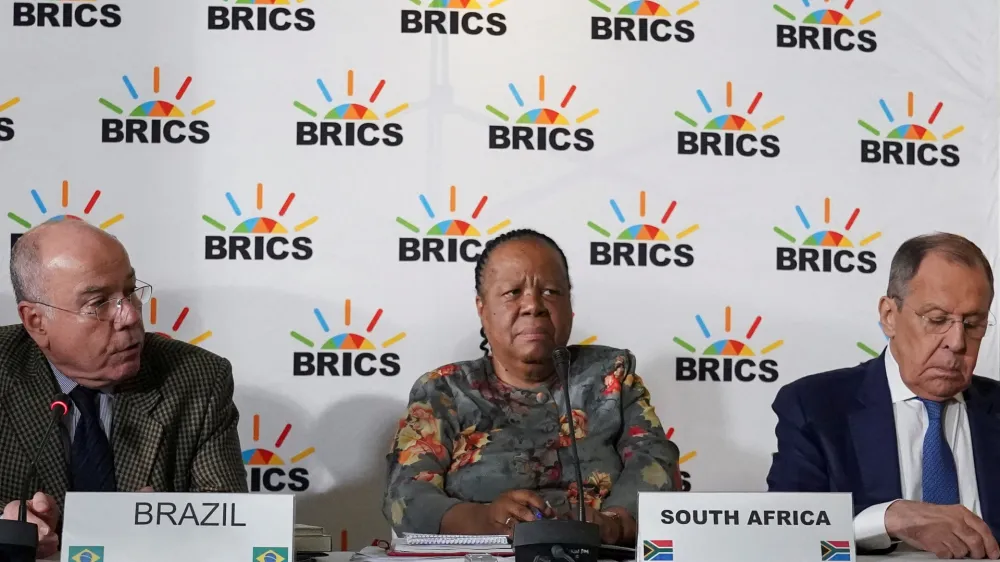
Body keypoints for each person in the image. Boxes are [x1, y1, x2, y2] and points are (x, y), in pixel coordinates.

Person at [381, 228, 681, 545]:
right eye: (512, 292)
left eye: (551, 291)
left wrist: (613, 523)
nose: (532, 305)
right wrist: (483, 521)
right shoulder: (444, 391)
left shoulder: (611, 378)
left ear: (570, 306)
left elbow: (656, 462)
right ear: (482, 309)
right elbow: (405, 495)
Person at [0, 219, 247, 558]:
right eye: (99, 303)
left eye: (130, 292)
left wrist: (167, 528)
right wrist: (5, 529)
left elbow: (229, 524)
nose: (129, 316)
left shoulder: (198, 377)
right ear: (36, 321)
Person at [766, 233, 1000, 559]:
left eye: (973, 324)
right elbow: (783, 531)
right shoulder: (816, 408)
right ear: (889, 315)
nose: (957, 342)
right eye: (937, 320)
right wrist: (889, 519)